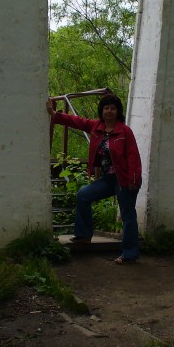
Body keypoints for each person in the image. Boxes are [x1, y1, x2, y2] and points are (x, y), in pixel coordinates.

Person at [46, 93, 143, 264]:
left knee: (128, 215)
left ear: (117, 111)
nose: (109, 111)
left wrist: (134, 181)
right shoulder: (96, 127)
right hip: (108, 179)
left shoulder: (124, 131)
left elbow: (133, 157)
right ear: (102, 110)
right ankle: (84, 235)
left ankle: (129, 253)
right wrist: (56, 116)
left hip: (124, 180)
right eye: (106, 108)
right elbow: (78, 122)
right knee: (83, 195)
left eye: (113, 108)